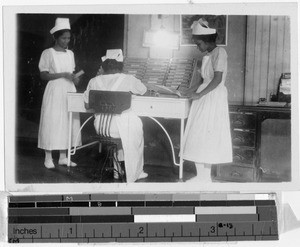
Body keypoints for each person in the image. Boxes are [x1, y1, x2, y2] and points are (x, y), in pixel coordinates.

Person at [83, 49, 148, 183]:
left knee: (127, 127)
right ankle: (136, 171)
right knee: (136, 125)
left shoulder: (94, 81)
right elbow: (143, 90)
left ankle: (118, 171)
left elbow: (87, 105)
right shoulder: (128, 79)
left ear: (104, 65)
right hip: (121, 128)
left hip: (101, 127)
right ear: (120, 65)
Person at [180, 18, 232, 182]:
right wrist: (189, 91)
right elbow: (203, 80)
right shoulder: (208, 55)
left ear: (208, 41)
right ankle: (201, 176)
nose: (197, 47)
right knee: (197, 135)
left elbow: (216, 80)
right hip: (203, 97)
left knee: (207, 136)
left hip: (213, 98)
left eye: (199, 44)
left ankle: (205, 177)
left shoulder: (220, 53)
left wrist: (199, 94)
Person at [38, 18, 82, 169]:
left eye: (68, 38)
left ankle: (63, 157)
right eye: (63, 38)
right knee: (52, 121)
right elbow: (43, 75)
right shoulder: (48, 53)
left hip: (69, 89)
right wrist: (62, 74)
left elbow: (72, 73)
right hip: (55, 90)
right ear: (55, 38)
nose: (66, 41)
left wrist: (74, 79)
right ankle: (48, 157)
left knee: (67, 121)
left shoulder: (70, 54)